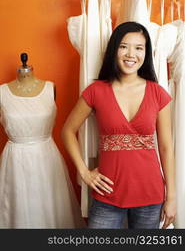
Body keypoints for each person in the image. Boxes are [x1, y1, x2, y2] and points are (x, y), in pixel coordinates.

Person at [62, 22, 176, 229]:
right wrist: (85, 173)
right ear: (114, 49)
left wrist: (172, 197)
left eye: (139, 48)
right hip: (107, 196)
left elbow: (167, 148)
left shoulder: (158, 93)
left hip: (150, 196)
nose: (131, 54)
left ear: (146, 53)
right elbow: (67, 131)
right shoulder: (96, 91)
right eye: (124, 46)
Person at [0, 53, 85, 228]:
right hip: (15, 160)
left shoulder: (50, 88)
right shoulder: (2, 92)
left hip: (46, 157)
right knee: (17, 208)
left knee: (50, 208)